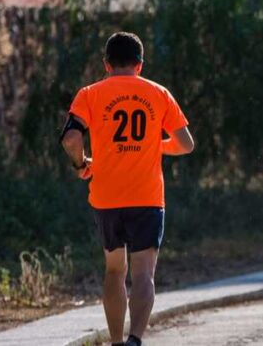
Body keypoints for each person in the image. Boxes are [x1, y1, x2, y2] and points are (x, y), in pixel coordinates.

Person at [59, 32, 194, 346]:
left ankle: (117, 342)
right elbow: (186, 144)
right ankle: (135, 340)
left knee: (114, 270)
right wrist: (153, 146)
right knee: (143, 273)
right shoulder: (159, 93)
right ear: (140, 65)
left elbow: (70, 139)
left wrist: (81, 165)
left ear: (106, 64)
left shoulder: (90, 93)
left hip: (106, 198)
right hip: (147, 198)